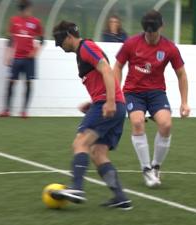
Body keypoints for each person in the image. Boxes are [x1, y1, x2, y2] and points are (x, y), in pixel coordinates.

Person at [50, 20, 132, 210]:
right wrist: (96, 102)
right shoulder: (82, 52)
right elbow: (100, 78)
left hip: (109, 104)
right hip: (112, 105)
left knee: (80, 142)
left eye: (60, 42)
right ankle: (121, 198)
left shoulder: (86, 47)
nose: (60, 47)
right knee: (98, 153)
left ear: (69, 37)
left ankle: (77, 188)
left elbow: (106, 70)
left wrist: (109, 101)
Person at [113, 10, 190, 187]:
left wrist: (184, 102)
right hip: (133, 92)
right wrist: (118, 92)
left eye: (153, 32)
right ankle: (146, 169)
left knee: (166, 124)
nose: (150, 36)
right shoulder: (131, 43)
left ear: (161, 27)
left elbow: (181, 75)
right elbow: (117, 66)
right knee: (138, 122)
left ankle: (155, 166)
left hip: (156, 93)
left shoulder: (169, 48)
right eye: (147, 32)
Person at [0, 0, 43, 118]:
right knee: (11, 82)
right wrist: (8, 56)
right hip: (16, 58)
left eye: (30, 9)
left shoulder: (36, 22)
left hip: (29, 59)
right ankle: (6, 110)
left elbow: (42, 39)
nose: (29, 12)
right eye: (27, 10)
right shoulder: (14, 21)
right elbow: (10, 39)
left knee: (28, 83)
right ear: (21, 10)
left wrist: (35, 52)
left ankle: (24, 111)